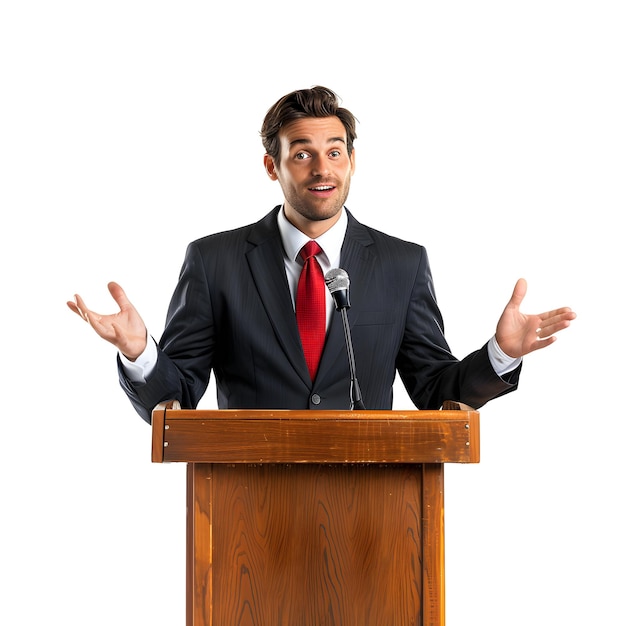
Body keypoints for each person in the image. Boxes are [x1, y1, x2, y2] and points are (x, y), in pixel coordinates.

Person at [67, 86, 576, 424]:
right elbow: (176, 397)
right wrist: (140, 352)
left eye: (335, 152)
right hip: (248, 515)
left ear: (352, 161)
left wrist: (500, 354)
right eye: (302, 153)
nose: (321, 169)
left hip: (370, 518)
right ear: (273, 166)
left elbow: (433, 389)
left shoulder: (402, 264)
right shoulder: (213, 262)